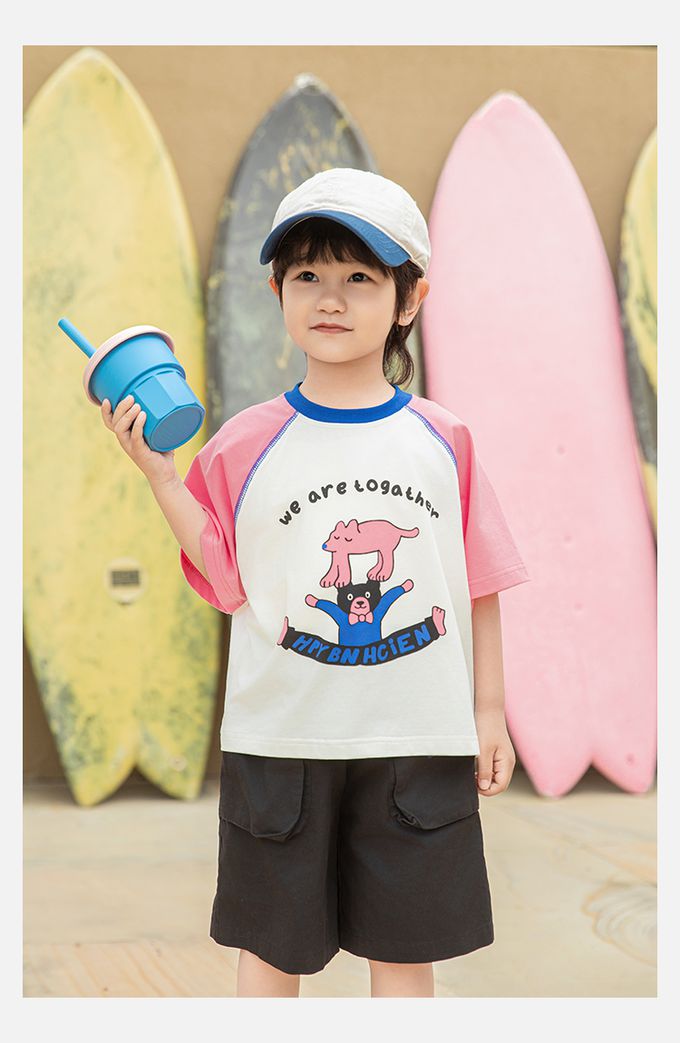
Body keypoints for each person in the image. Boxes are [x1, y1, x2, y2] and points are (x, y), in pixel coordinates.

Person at [100, 167, 530, 998]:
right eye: (307, 276)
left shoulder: (444, 439)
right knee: (270, 951)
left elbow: (481, 580)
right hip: (280, 743)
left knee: (404, 954)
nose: (330, 298)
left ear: (409, 299)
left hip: (417, 742)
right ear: (277, 291)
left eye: (360, 277)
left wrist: (487, 712)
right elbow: (227, 580)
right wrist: (162, 475)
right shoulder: (242, 443)